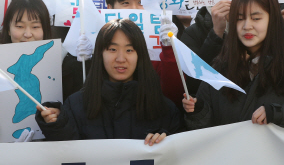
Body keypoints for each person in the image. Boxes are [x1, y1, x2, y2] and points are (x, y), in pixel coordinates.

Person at [183, 0, 284, 136]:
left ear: (273, 21)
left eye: (256, 18)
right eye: (239, 18)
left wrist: (279, 114)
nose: (247, 26)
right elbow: (204, 138)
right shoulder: (218, 71)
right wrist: (198, 112)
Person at [35, 19, 181, 144]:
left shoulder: (164, 108)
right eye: (112, 49)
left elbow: (182, 153)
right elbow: (67, 153)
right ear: (100, 54)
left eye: (129, 50)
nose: (121, 58)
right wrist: (56, 126)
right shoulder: (75, 106)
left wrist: (166, 143)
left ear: (140, 55)